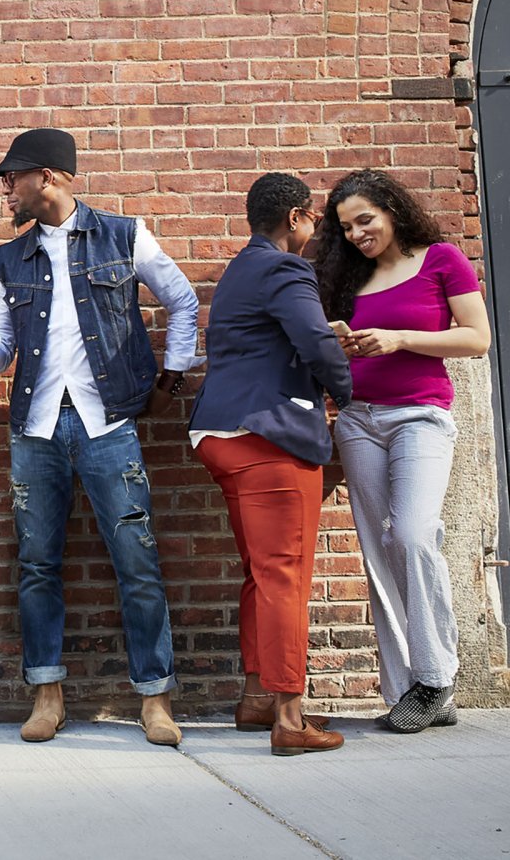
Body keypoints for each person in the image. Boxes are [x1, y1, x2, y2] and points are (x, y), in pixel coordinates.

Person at [0, 128, 198, 746]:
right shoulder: (10, 260)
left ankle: (155, 699)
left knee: (136, 560)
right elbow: (0, 357)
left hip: (107, 421)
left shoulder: (123, 236)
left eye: (13, 178)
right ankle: (47, 694)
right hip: (36, 427)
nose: (6, 190)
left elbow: (183, 302)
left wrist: (170, 380)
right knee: (37, 564)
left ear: (49, 178)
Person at [316, 169, 491, 733]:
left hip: (421, 415)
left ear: (392, 208)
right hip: (359, 420)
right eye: (346, 228)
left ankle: (437, 677)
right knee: (377, 549)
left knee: (412, 535)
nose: (357, 234)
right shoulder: (350, 277)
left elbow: (476, 338)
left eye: (365, 220)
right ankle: (405, 686)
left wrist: (400, 339)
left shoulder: (441, 259)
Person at [189, 173, 352, 756]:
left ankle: (257, 696)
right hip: (268, 438)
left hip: (224, 434)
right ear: (296, 219)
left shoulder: (242, 268)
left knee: (262, 572)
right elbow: (314, 341)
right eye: (313, 220)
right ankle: (289, 716)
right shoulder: (287, 268)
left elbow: (275, 341)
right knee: (286, 574)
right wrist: (348, 392)